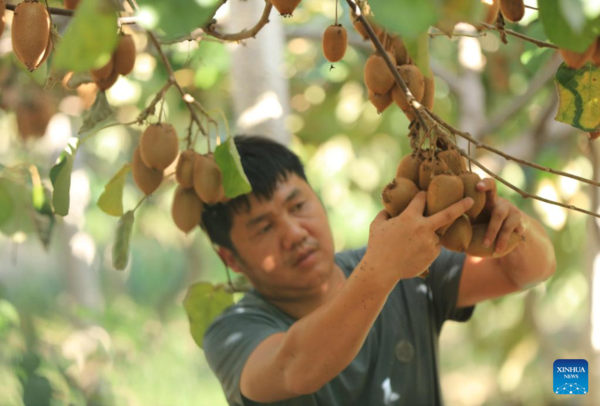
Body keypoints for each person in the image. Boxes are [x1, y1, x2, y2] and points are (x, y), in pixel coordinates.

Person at [200, 135, 556, 406]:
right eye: (264, 227)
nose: (294, 233)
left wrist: (512, 228)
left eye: (298, 206)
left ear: (318, 199)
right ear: (230, 259)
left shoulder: (407, 271)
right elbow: (294, 368)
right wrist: (383, 269)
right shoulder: (231, 332)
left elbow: (529, 272)